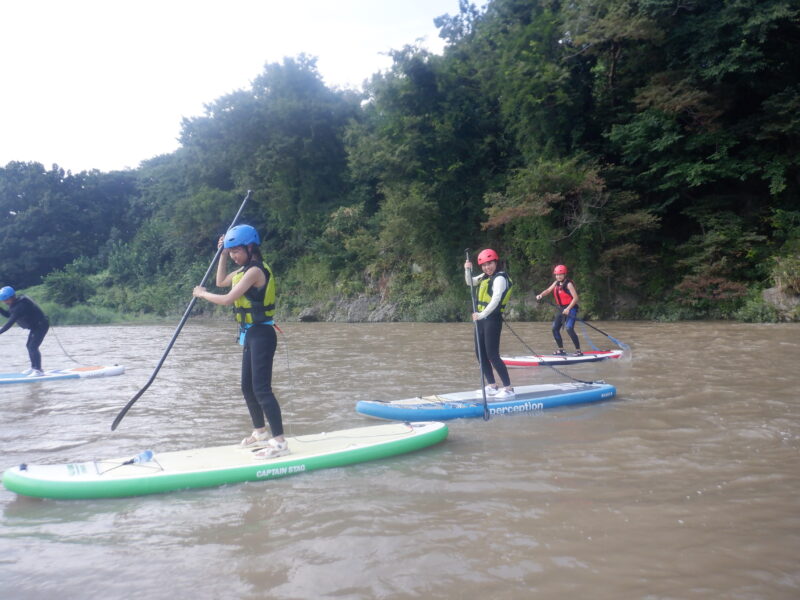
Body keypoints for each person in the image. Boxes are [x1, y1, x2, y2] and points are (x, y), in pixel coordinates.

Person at [192, 224, 288, 459]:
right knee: (247, 386)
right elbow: (221, 281)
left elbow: (226, 299)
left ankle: (280, 443)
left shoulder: (255, 271)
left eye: (236, 251)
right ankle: (260, 432)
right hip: (250, 334)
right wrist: (222, 254)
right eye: (231, 251)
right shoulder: (243, 269)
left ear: (251, 247)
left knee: (262, 389)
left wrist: (201, 294)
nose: (234, 255)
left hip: (263, 335)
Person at [464, 248, 515, 399]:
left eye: (490, 264)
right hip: (480, 319)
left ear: (496, 262)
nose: (488, 267)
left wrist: (481, 314)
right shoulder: (485, 276)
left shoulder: (500, 278)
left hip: (492, 319)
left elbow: (496, 299)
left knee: (493, 355)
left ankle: (508, 388)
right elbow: (470, 282)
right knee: (480, 353)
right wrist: (467, 270)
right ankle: (492, 386)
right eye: (484, 265)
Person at [0, 286, 50, 376]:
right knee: (29, 346)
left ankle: (38, 370)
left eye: (5, 300)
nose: (4, 302)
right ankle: (33, 367)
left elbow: (10, 322)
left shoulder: (21, 305)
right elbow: (8, 315)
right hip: (35, 326)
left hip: (41, 325)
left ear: (11, 297)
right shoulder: (15, 303)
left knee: (32, 347)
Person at [536, 264, 582, 356]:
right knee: (554, 329)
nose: (558, 276)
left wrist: (568, 309)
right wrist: (541, 295)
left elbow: (576, 298)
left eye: (560, 275)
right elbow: (548, 290)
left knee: (569, 328)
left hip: (571, 308)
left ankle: (578, 351)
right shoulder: (556, 283)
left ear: (564, 274)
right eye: (556, 275)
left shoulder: (568, 284)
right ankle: (561, 350)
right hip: (561, 309)